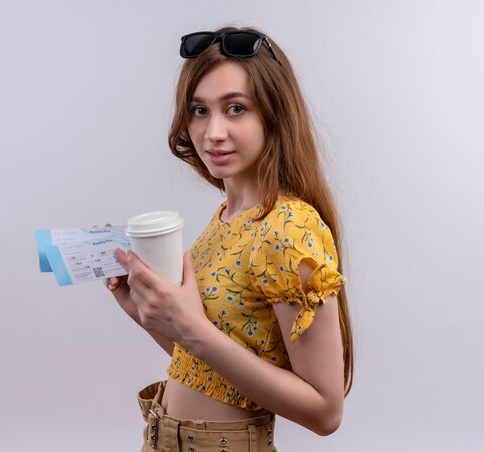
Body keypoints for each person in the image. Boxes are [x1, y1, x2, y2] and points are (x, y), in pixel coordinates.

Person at [102, 25, 353, 452]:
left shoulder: (290, 229)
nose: (212, 132)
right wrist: (149, 315)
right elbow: (214, 366)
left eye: (235, 108)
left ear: (275, 114)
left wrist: (192, 329)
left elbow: (325, 412)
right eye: (199, 110)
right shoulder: (225, 220)